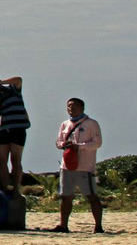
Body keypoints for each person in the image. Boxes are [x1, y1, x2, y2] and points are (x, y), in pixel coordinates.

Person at [53, 97, 103, 234]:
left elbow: (97, 143)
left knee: (91, 196)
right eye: (68, 106)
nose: (70, 109)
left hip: (85, 166)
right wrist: (64, 145)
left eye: (73, 106)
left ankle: (98, 226)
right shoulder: (64, 124)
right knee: (65, 196)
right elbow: (58, 142)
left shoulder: (91, 124)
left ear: (81, 108)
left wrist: (79, 147)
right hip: (67, 165)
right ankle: (63, 225)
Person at [0, 74, 29, 194]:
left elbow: (19, 79)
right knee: (1, 160)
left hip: (17, 128)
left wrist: (0, 83)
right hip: (2, 129)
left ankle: (16, 187)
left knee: (16, 159)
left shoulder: (12, 89)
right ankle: (5, 187)